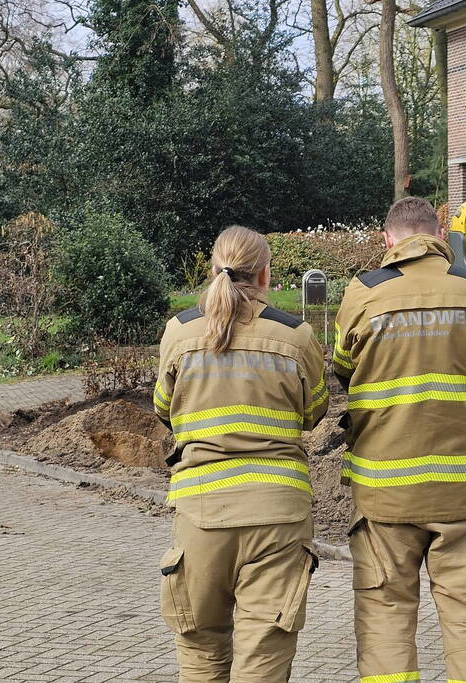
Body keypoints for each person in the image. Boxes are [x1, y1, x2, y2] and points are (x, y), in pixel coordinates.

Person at [333, 197, 466, 683]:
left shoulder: (364, 291)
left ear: (387, 240)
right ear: (439, 233)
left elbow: (344, 372)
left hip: (384, 489)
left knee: (385, 612)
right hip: (464, 489)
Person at [154, 225, 328, 682]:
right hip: (277, 516)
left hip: (200, 513)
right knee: (263, 659)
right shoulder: (297, 336)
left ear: (213, 270)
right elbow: (314, 412)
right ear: (265, 275)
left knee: (201, 653)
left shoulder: (179, 331)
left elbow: (162, 408)